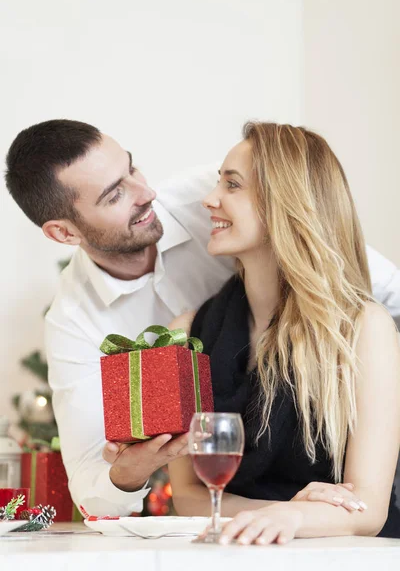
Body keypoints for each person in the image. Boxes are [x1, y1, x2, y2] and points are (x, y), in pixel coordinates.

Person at [4, 120, 400, 517]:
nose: (148, 193)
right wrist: (132, 469)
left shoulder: (206, 196)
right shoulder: (78, 321)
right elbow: (97, 483)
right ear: (63, 233)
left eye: (132, 168)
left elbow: (340, 260)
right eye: (115, 195)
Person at [168, 122, 400, 542]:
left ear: (286, 204)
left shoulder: (366, 328)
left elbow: (368, 509)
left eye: (232, 185)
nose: (210, 199)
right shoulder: (188, 334)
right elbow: (188, 495)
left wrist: (292, 521)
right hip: (236, 549)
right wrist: (288, 513)